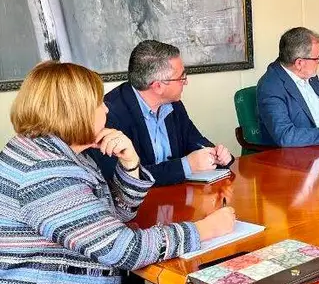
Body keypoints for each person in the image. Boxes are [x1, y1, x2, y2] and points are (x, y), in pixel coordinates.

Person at [0, 61, 235, 284]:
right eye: (98, 102)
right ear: (72, 111)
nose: (107, 110)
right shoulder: (46, 173)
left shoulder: (54, 150)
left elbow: (111, 218)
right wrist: (204, 229)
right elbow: (123, 249)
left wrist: (130, 165)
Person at [90, 40, 234, 186]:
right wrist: (186, 166)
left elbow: (194, 140)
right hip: (138, 205)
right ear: (158, 86)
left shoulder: (173, 104)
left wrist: (217, 155)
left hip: (177, 197)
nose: (186, 82)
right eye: (181, 77)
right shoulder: (109, 113)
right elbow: (121, 178)